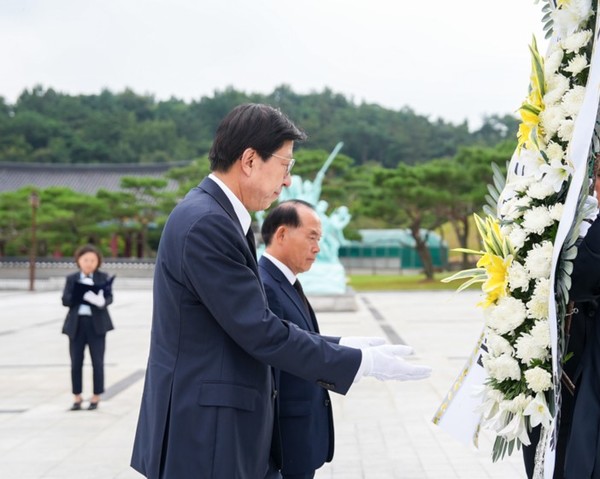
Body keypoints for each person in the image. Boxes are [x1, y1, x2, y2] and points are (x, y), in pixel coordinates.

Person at [130, 103, 432, 479]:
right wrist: (359, 363)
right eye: (286, 166)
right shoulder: (208, 223)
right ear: (251, 160)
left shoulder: (216, 216)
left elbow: (257, 321)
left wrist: (344, 344)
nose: (288, 181)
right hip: (207, 435)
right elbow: (259, 331)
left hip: (216, 427)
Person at [259, 199, 385, 479]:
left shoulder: (284, 281)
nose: (318, 247)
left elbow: (302, 339)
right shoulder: (265, 285)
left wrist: (343, 343)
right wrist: (359, 361)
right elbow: (285, 348)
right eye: (311, 237)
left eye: (320, 239)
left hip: (300, 433)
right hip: (284, 438)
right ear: (281, 234)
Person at [61, 244, 114, 411]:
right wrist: (80, 295)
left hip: (97, 325)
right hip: (76, 325)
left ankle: (96, 396)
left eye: (93, 260)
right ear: (78, 261)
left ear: (98, 261)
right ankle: (77, 396)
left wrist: (100, 301)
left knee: (97, 362)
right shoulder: (72, 278)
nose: (89, 263)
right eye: (85, 260)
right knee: (76, 362)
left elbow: (109, 297)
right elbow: (65, 300)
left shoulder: (102, 277)